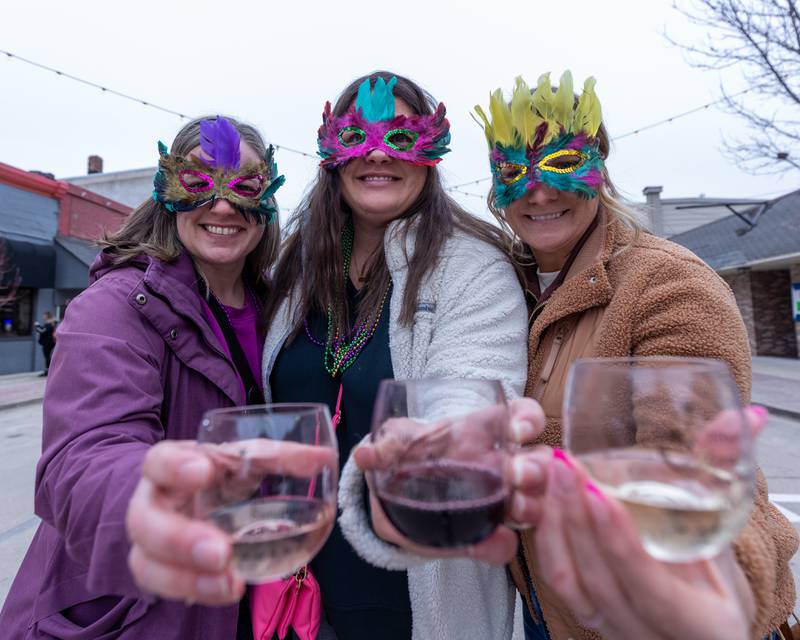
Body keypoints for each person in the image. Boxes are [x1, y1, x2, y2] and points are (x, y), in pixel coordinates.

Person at [350, 72, 799, 640]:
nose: (539, 192)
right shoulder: (506, 283)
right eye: (514, 172)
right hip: (551, 612)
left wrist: (717, 588)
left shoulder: (669, 286)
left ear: (600, 168)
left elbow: (695, 476)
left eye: (562, 164)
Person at [0, 115, 291, 639]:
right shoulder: (113, 307)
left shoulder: (283, 311)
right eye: (199, 182)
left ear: (267, 199)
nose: (222, 205)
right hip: (134, 610)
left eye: (245, 185)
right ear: (166, 190)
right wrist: (166, 490)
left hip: (246, 600)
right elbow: (83, 458)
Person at [260, 71, 529, 639]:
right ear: (332, 152)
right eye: (358, 136)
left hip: (414, 588)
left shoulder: (473, 269)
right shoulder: (297, 268)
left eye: (402, 138)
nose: (378, 153)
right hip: (293, 594)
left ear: (430, 154)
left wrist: (434, 446)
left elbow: (468, 397)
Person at [34, 310, 57, 376]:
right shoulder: (50, 323)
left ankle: (48, 372)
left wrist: (37, 326)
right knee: (47, 357)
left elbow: (42, 331)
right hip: (49, 343)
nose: (43, 316)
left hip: (48, 343)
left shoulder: (49, 324)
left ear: (47, 316)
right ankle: (48, 371)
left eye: (44, 315)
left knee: (47, 357)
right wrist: (38, 326)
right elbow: (43, 329)